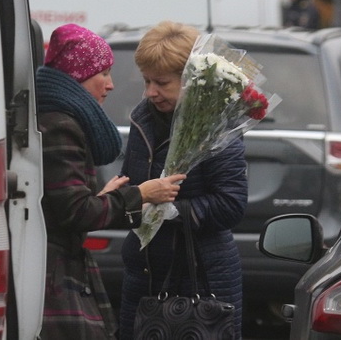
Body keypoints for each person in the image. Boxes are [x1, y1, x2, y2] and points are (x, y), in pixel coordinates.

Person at [35, 23, 186, 339]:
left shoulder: (59, 119)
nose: (111, 85)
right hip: (56, 273)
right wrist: (141, 195)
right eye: (101, 74)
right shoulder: (61, 126)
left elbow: (65, 205)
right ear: (78, 77)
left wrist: (101, 197)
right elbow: (74, 213)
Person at [118, 21, 248, 340]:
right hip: (144, 274)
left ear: (190, 79)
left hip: (201, 280)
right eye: (146, 81)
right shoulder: (142, 119)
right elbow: (133, 182)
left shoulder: (215, 125)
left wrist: (172, 210)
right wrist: (127, 197)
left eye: (161, 83)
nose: (151, 92)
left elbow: (230, 205)